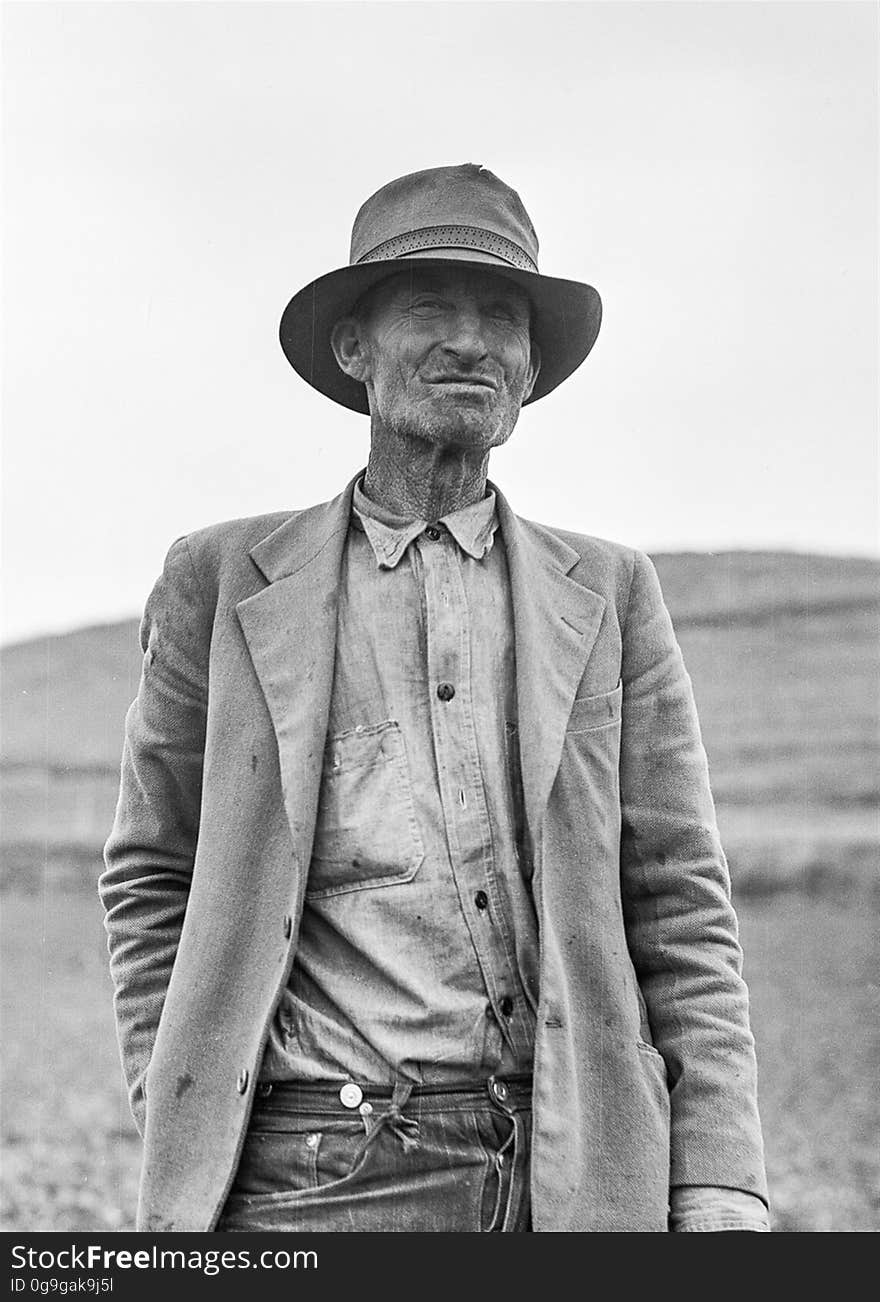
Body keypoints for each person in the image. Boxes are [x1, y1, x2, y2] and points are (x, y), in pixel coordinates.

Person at [100, 163, 769, 1233]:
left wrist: (720, 1172)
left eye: (501, 317)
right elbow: (151, 874)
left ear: (531, 366)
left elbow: (678, 894)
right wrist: (180, 1098)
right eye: (429, 309)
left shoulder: (606, 592)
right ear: (355, 349)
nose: (470, 341)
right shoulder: (224, 582)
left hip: (573, 1174)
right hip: (308, 1176)